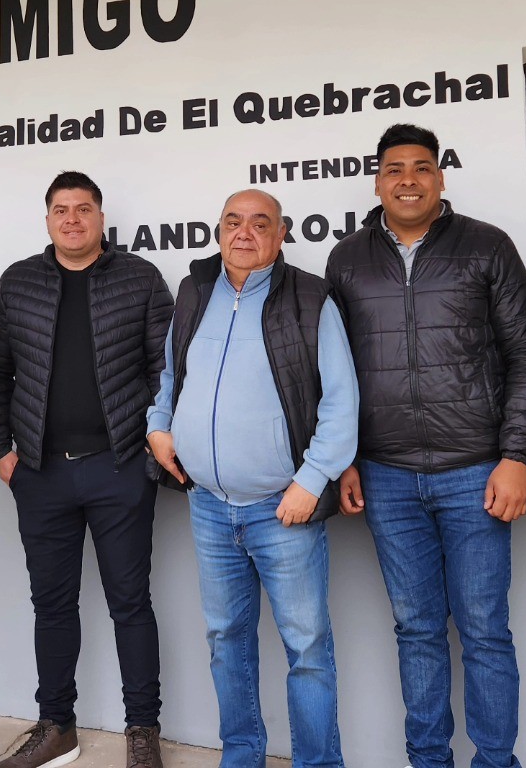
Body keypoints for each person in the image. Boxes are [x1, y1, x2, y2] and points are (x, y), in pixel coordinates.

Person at [325, 123, 526, 768]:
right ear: (377, 180)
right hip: (386, 475)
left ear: (441, 176)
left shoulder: (487, 246)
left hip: (475, 470)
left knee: (483, 631)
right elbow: (334, 373)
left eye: (422, 167)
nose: (409, 179)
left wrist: (516, 456)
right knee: (417, 632)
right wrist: (347, 462)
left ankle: (496, 762)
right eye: (395, 169)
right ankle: (430, 762)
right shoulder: (348, 258)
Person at [146, 189, 358, 768]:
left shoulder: (311, 298)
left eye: (259, 223)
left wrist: (311, 481)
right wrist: (158, 427)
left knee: (308, 650)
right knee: (226, 643)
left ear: (281, 234)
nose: (244, 233)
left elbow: (341, 403)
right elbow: (170, 372)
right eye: (232, 222)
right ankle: (241, 757)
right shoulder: (194, 292)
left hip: (280, 508)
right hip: (210, 506)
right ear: (218, 231)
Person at [0, 172, 174, 768]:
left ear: (100, 219)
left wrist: (147, 451)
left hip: (119, 468)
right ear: (47, 221)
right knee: (53, 605)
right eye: (61, 210)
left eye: (83, 209)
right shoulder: (17, 284)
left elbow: (163, 369)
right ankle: (56, 726)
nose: (72, 219)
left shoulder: (139, 278)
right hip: (39, 472)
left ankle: (142, 731)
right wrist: (1, 452)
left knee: (130, 603)